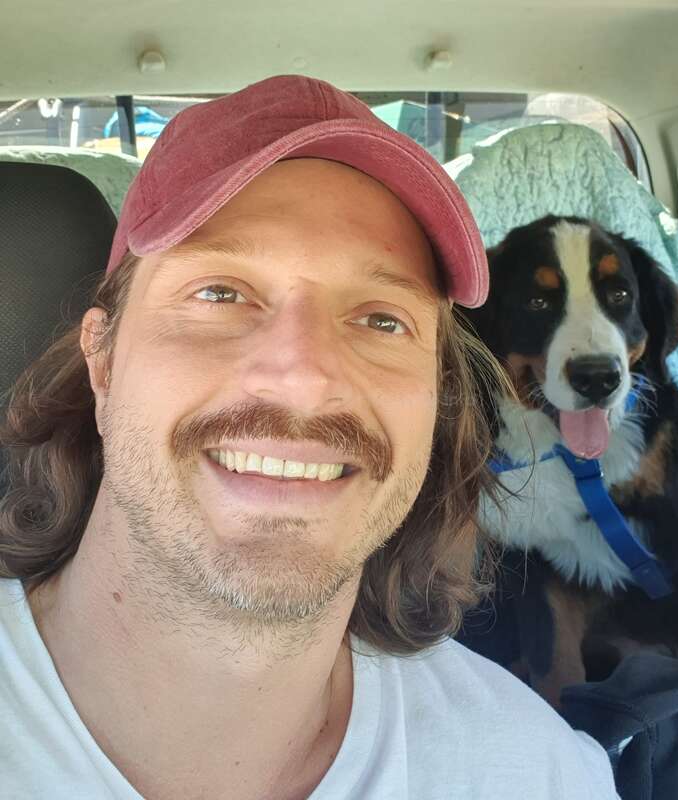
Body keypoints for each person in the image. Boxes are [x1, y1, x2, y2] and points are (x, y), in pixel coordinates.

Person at [0, 75, 618, 799]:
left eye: (382, 318)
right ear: (102, 362)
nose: (303, 377)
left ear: (437, 399)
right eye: (220, 293)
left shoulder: (534, 771)